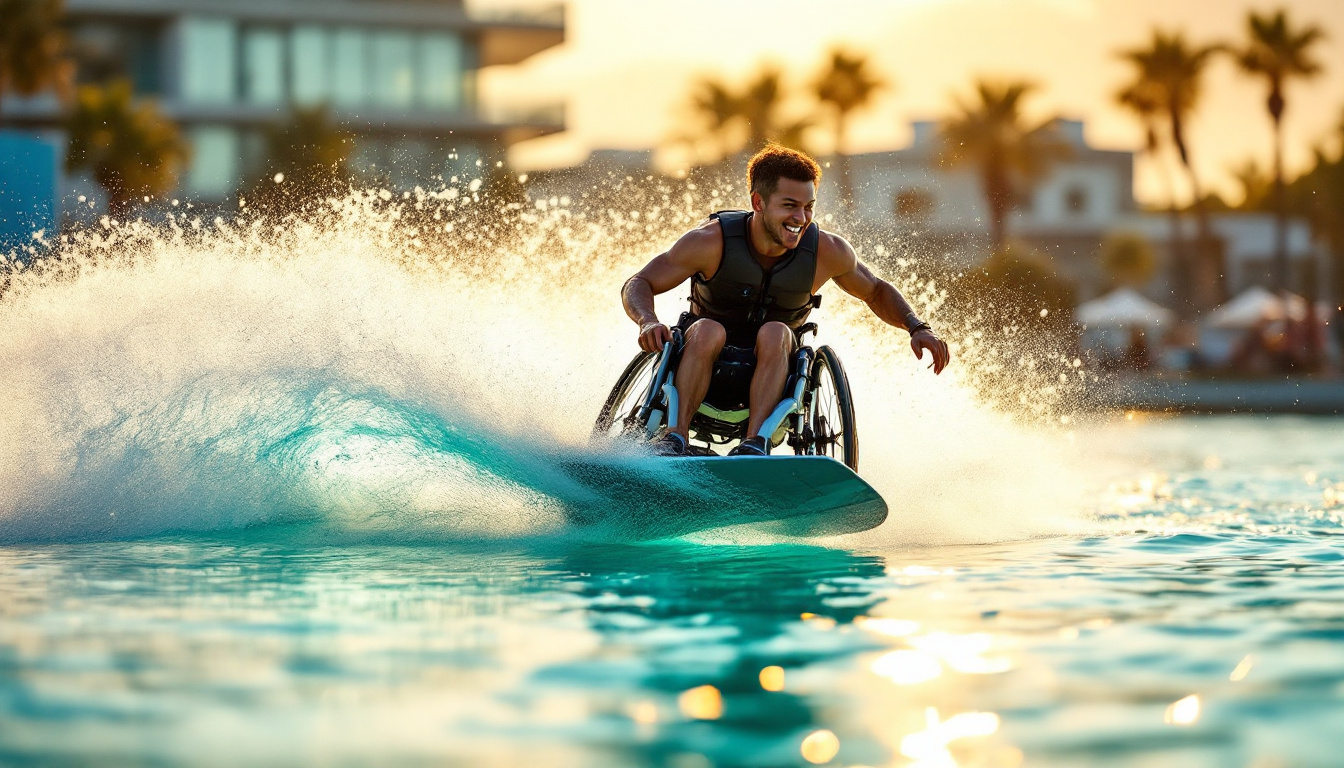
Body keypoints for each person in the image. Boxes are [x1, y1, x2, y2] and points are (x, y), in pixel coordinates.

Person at [621, 144, 951, 456]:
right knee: (708, 329)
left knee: (777, 331)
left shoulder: (827, 252)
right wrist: (647, 320)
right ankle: (674, 438)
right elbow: (640, 282)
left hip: (776, 372)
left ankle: (755, 444)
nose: (800, 218)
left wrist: (917, 327)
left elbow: (876, 290)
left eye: (808, 207)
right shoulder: (710, 242)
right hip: (701, 360)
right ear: (758, 202)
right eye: (789, 206)